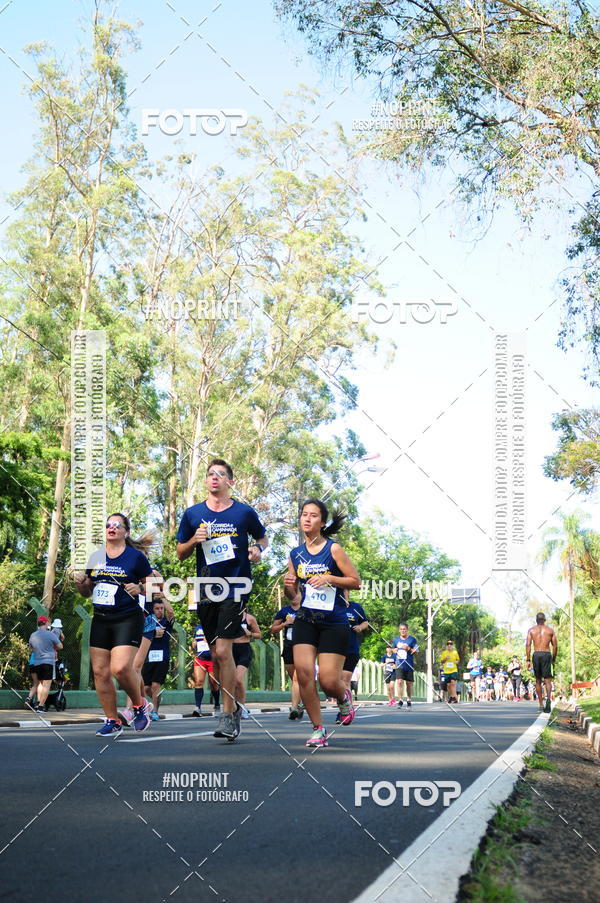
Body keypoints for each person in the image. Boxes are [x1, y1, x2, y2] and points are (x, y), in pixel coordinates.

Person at [176, 458, 268, 742]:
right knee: (215, 654)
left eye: (221, 474)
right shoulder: (193, 514)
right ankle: (232, 709)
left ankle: (228, 715)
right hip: (206, 588)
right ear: (206, 481)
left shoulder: (243, 513)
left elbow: (263, 539)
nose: (214, 477)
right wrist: (194, 540)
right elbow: (180, 552)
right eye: (210, 474)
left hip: (236, 586)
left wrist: (256, 549)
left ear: (230, 481)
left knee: (225, 652)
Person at [284, 499, 360, 748]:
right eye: (304, 514)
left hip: (333, 621)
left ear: (322, 522)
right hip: (306, 619)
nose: (307, 519)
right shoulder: (295, 554)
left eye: (313, 515)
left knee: (328, 681)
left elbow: (355, 581)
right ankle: (318, 729)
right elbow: (294, 596)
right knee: (305, 675)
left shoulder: (333, 549)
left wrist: (329, 578)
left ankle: (343, 696)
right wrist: (289, 589)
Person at [73, 513, 154, 736]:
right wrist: (80, 583)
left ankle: (139, 706)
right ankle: (112, 720)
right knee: (100, 672)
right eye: (108, 524)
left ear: (125, 532)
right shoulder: (96, 557)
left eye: (117, 525)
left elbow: (155, 586)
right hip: (101, 618)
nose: (112, 528)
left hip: (127, 617)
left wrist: (140, 589)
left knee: (120, 668)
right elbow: (86, 592)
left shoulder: (135, 557)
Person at [270, 592, 304, 720]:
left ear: (301, 595)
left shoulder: (306, 609)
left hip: (302, 647)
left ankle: (294, 708)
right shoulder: (284, 611)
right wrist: (285, 624)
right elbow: (273, 629)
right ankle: (300, 704)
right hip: (289, 647)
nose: (294, 597)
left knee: (297, 678)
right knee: (294, 679)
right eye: (292, 595)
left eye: (296, 594)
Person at [141, 598, 174, 721]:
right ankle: (157, 699)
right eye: (157, 608)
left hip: (163, 657)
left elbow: (171, 612)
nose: (160, 610)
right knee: (146, 688)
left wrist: (162, 595)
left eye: (161, 608)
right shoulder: (148, 621)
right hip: (148, 657)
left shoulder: (167, 622)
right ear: (152, 610)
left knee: (155, 685)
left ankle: (154, 712)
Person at [337, 601, 369, 722]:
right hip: (334, 649)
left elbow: (365, 622)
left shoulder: (356, 607)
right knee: (334, 681)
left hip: (351, 649)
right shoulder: (332, 605)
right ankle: (343, 706)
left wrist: (360, 627)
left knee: (345, 679)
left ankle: (345, 711)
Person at [27, 616, 62, 712]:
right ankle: (41, 707)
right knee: (46, 685)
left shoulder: (33, 635)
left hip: (37, 662)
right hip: (48, 662)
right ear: (46, 624)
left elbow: (31, 649)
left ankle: (38, 703)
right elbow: (60, 646)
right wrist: (52, 648)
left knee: (40, 683)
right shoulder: (50, 635)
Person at [526, 612, 557, 713]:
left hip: (537, 654)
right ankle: (548, 699)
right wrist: (553, 659)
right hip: (547, 654)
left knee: (538, 680)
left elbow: (528, 645)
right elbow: (555, 646)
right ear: (544, 620)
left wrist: (528, 659)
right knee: (548, 680)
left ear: (536, 620)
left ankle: (540, 704)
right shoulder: (550, 630)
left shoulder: (531, 630)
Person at [232, 609, 261, 719]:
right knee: (231, 682)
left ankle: (243, 708)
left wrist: (251, 634)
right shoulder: (230, 617)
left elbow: (259, 634)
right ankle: (234, 707)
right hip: (231, 649)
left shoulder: (250, 618)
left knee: (238, 680)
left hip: (244, 650)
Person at [191, 623, 219, 716]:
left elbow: (221, 641)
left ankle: (217, 704)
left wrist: (211, 641)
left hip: (212, 659)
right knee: (198, 681)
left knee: (213, 683)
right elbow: (195, 640)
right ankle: (197, 707)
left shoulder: (216, 625)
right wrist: (194, 643)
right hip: (200, 658)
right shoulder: (198, 627)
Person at [391, 623, 419, 708]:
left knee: (409, 683)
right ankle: (400, 700)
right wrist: (394, 650)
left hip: (409, 664)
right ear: (399, 630)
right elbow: (393, 649)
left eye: (404, 629)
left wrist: (409, 649)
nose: (403, 631)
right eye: (401, 629)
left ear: (407, 630)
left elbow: (417, 651)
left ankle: (409, 700)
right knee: (399, 682)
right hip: (399, 664)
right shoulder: (396, 640)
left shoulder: (412, 640)